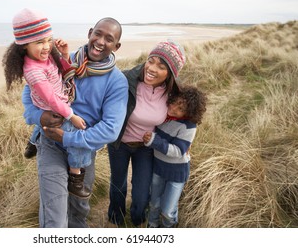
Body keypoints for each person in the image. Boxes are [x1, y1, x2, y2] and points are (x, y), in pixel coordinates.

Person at [22, 17, 128, 227]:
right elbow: (30, 92)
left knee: (79, 210)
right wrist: (38, 117)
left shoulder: (116, 81)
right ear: (90, 33)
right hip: (51, 144)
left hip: (83, 151)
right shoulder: (62, 60)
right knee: (55, 217)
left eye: (109, 39)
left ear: (116, 46)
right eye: (98, 33)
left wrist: (69, 137)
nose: (100, 41)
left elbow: (110, 130)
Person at [2, 8, 91, 198]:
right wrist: (72, 116)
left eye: (48, 40)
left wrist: (65, 53)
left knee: (46, 125)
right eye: (39, 42)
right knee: (78, 139)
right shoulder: (33, 71)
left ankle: (33, 142)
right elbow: (51, 99)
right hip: (55, 107)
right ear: (24, 45)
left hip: (52, 102)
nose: (46, 46)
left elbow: (61, 71)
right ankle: (75, 178)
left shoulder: (46, 56)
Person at [107, 40, 186, 227]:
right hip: (119, 143)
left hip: (147, 147)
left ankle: (137, 219)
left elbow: (186, 118)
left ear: (171, 74)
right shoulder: (126, 80)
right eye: (151, 60)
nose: (152, 68)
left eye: (161, 66)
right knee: (118, 185)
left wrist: (185, 142)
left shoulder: (174, 93)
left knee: (142, 193)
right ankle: (116, 218)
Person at [143, 85, 207, 228]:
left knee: (167, 210)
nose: (174, 109)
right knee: (154, 203)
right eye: (174, 103)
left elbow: (178, 151)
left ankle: (168, 228)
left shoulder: (189, 126)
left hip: (176, 173)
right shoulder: (162, 116)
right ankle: (152, 225)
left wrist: (154, 141)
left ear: (189, 112)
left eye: (181, 109)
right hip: (158, 169)